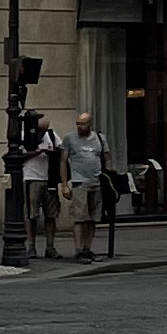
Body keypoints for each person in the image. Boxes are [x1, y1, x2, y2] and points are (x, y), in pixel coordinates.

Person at [61, 110, 110, 259]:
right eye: (77, 123)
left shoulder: (99, 138)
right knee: (79, 217)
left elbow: (107, 157)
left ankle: (87, 247)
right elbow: (63, 161)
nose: (79, 127)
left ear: (90, 124)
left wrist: (107, 175)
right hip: (79, 181)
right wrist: (65, 184)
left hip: (96, 181)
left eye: (82, 124)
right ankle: (78, 249)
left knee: (93, 217)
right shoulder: (69, 138)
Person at [20, 110, 57, 245]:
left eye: (45, 130)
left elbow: (60, 151)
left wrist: (51, 151)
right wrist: (36, 152)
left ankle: (50, 246)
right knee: (31, 214)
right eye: (41, 130)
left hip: (49, 179)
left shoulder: (51, 135)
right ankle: (31, 244)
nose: (43, 132)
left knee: (51, 214)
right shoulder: (23, 135)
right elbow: (18, 156)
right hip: (31, 177)